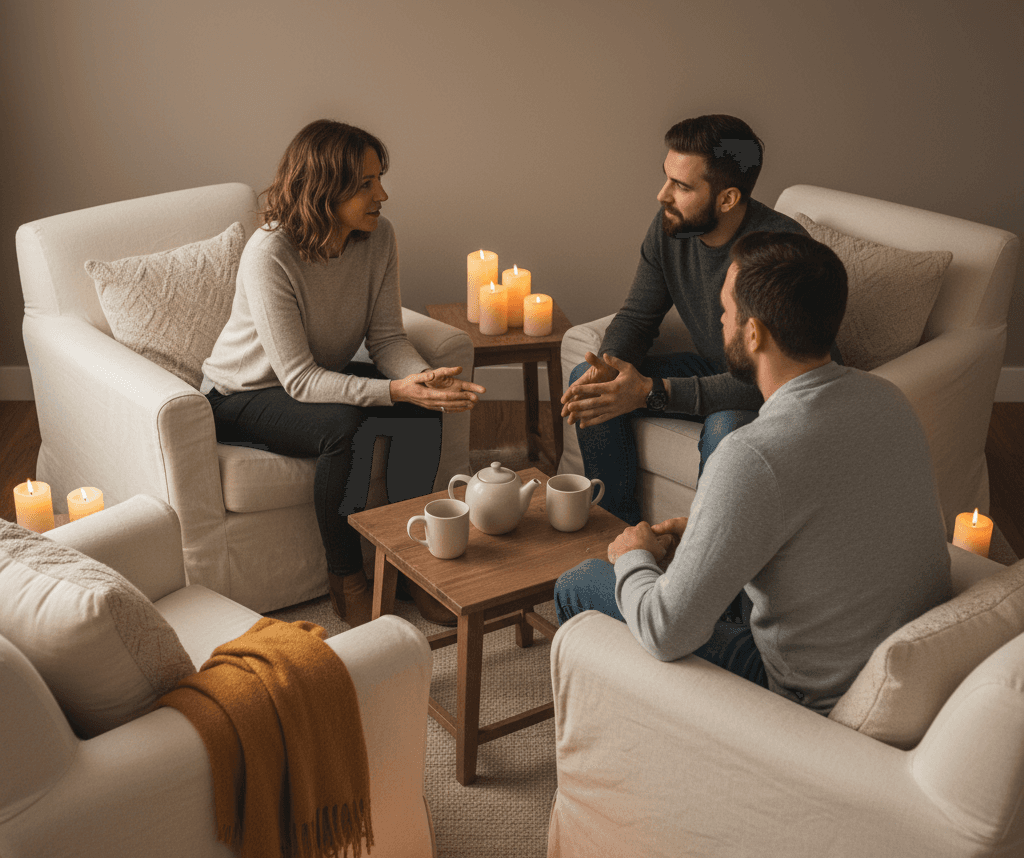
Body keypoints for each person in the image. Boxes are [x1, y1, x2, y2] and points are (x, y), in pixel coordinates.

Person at [554, 231, 951, 713]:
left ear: (754, 333)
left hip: (805, 696)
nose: (720, 320)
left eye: (725, 311)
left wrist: (631, 557)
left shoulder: (753, 456)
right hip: (899, 668)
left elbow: (664, 630)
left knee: (579, 582)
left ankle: (617, 751)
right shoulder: (888, 400)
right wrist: (705, 533)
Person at [201, 119, 484, 628]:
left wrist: (422, 382)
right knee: (342, 428)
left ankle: (411, 564)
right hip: (241, 394)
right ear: (323, 190)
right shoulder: (271, 253)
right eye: (365, 184)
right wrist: (395, 388)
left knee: (420, 414)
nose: (383, 194)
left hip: (314, 377)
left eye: (379, 179)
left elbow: (387, 339)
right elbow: (299, 381)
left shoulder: (378, 237)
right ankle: (346, 575)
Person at [560, 113, 841, 527]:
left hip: (778, 391)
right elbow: (638, 315)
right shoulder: (672, 226)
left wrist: (652, 391)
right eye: (666, 177)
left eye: (682, 186)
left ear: (727, 199)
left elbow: (776, 377)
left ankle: (705, 553)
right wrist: (612, 366)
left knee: (725, 428)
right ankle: (620, 532)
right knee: (593, 379)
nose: (662, 195)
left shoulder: (777, 253)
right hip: (716, 364)